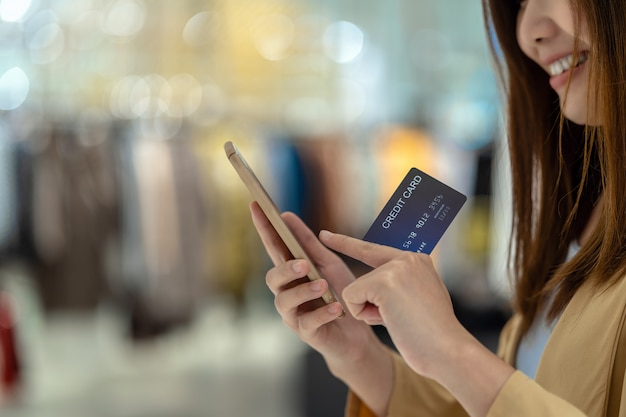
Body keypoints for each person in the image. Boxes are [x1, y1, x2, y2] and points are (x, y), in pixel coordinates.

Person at [249, 0, 626, 415]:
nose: (528, 31)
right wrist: (359, 354)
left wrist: (452, 350)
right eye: (519, 4)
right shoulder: (586, 204)